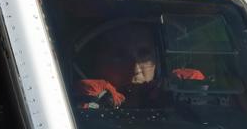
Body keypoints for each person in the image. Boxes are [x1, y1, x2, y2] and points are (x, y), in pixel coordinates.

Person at [76, 24, 204, 110]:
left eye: (144, 55)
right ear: (98, 63)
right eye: (120, 56)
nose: (135, 69)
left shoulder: (174, 95)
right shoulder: (82, 102)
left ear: (157, 59)